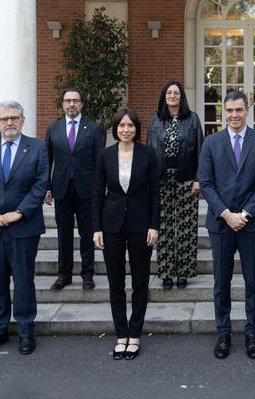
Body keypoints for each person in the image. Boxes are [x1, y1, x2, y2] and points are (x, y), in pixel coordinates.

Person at [198, 91, 255, 360]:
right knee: (222, 281)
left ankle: (251, 334)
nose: (233, 115)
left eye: (238, 110)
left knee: (253, 281)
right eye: (229, 110)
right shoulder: (211, 142)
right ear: (223, 111)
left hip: (251, 224)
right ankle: (224, 333)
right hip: (221, 224)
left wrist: (245, 214)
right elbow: (205, 183)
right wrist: (226, 214)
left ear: (247, 110)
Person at [0, 101, 48, 356]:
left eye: (14, 118)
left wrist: (19, 213)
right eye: (4, 119)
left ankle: (26, 332)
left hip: (23, 227)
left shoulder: (37, 147)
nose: (9, 123)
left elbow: (40, 184)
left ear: (23, 121)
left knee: (24, 282)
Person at [92, 108, 160, 360]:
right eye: (121, 125)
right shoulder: (104, 155)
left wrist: (155, 225)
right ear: (115, 128)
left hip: (142, 226)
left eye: (130, 125)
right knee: (115, 283)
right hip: (112, 226)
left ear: (137, 129)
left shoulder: (148, 154)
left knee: (140, 282)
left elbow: (155, 192)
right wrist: (96, 228)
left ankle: (135, 333)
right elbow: (98, 192)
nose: (126, 129)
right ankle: (121, 334)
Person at [45, 88, 104, 291]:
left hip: (86, 190)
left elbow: (100, 161)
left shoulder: (94, 128)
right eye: (67, 101)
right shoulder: (53, 128)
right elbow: (47, 160)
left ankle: (87, 275)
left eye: (75, 101)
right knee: (64, 235)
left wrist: (100, 189)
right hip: (61, 189)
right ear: (62, 104)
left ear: (81, 104)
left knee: (88, 234)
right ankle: (64, 275)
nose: (71, 104)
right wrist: (46, 187)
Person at [146, 80, 203, 289]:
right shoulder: (155, 121)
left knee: (186, 228)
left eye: (176, 93)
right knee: (165, 227)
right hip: (161, 181)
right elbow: (148, 154)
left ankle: (184, 273)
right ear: (164, 96)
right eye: (168, 92)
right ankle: (167, 273)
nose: (172, 96)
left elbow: (201, 151)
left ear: (181, 97)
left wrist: (198, 179)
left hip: (187, 180)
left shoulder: (193, 120)